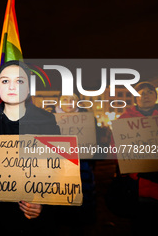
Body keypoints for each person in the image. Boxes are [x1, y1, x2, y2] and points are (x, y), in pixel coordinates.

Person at [0, 61, 60, 235]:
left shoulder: (47, 122)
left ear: (29, 89)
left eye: (20, 81)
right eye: (5, 81)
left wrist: (43, 204)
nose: (12, 87)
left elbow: (58, 172)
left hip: (29, 223)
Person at [114, 82, 158, 235]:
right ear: (135, 98)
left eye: (150, 92)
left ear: (156, 96)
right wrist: (132, 170)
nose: (145, 96)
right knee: (142, 227)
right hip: (138, 186)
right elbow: (116, 149)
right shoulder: (124, 119)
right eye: (141, 93)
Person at [54, 95, 96, 233]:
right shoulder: (49, 118)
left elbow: (96, 146)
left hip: (82, 171)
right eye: (65, 99)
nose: (69, 103)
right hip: (56, 172)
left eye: (73, 99)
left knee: (79, 218)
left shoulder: (89, 119)